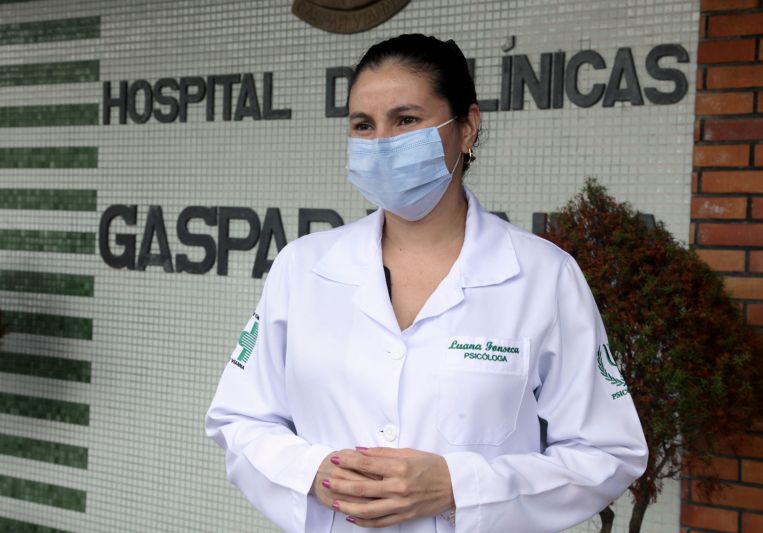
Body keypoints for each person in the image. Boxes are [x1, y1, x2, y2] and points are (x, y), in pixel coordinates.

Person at [205, 33, 648, 532]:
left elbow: (608, 452)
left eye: (406, 120)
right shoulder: (302, 268)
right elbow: (239, 419)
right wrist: (312, 473)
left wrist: (459, 486)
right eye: (363, 125)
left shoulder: (544, 276)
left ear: (467, 128)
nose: (382, 143)